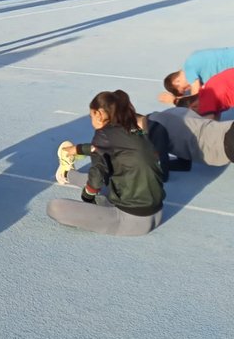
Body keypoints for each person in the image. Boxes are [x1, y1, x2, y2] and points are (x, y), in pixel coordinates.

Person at [47, 90, 165, 237]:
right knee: (111, 175)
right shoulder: (134, 129)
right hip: (157, 212)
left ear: (99, 114)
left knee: (54, 207)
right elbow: (103, 148)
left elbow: (97, 176)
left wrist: (88, 197)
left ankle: (66, 175)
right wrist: (76, 149)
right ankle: (66, 174)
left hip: (130, 220)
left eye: (91, 116)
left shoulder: (103, 134)